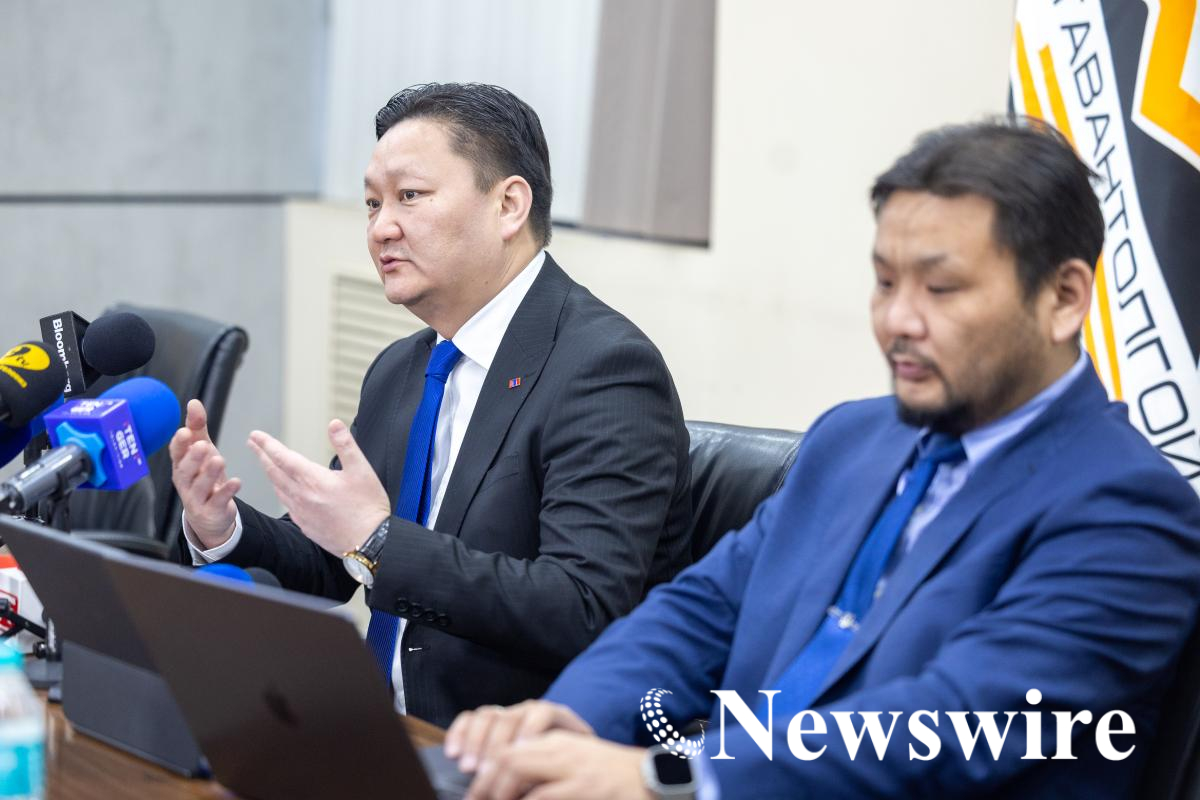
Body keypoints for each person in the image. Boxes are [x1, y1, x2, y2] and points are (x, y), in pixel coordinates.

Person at [445, 119, 1200, 799]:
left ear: (1064, 298)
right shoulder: (851, 439)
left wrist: (666, 779)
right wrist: (572, 720)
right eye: (885, 282)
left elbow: (950, 724)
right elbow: (703, 611)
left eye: (941, 289)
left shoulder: (1128, 510)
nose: (898, 320)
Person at [168, 83, 693, 728]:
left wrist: (377, 539)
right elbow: (333, 564)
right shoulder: (403, 367)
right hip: (377, 727)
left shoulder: (604, 369)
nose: (380, 228)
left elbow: (581, 608)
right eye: (372, 203)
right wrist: (221, 527)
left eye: (409, 196)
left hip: (511, 746)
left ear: (508, 205)